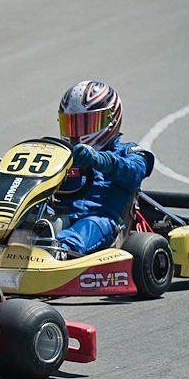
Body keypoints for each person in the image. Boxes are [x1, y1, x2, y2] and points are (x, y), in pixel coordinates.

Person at [51, 80, 155, 255]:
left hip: (101, 220)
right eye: (71, 124)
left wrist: (101, 160)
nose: (77, 133)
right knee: (31, 215)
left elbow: (134, 172)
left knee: (89, 226)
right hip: (60, 215)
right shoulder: (62, 154)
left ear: (111, 120)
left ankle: (60, 252)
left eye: (86, 124)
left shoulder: (128, 151)